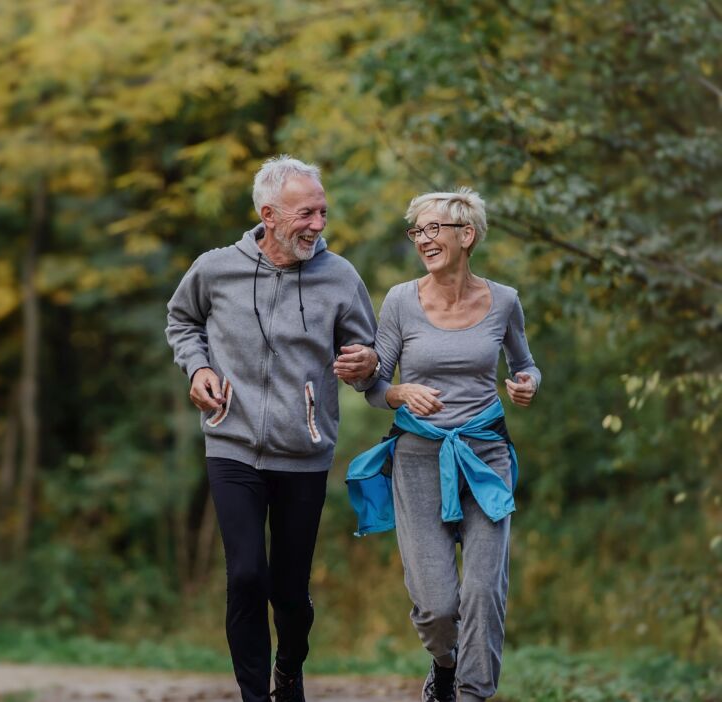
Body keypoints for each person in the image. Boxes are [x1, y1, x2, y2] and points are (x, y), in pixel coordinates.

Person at [165, 155, 380, 702]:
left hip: (303, 452)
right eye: (306, 213)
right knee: (244, 577)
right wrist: (200, 367)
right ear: (269, 214)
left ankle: (290, 666)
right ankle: (255, 696)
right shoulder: (216, 268)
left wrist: (367, 365)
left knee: (288, 590)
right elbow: (182, 320)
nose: (318, 224)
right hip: (231, 443)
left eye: (322, 212)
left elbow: (368, 356)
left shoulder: (340, 277)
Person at [344, 188, 540, 702]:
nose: (423, 239)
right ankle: (446, 664)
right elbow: (374, 387)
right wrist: (400, 390)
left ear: (466, 235)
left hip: (485, 456)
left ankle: (474, 693)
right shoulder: (401, 301)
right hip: (418, 459)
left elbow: (525, 363)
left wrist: (526, 383)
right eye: (417, 231)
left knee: (482, 590)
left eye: (433, 229)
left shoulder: (505, 301)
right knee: (435, 604)